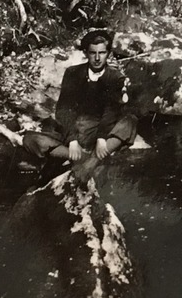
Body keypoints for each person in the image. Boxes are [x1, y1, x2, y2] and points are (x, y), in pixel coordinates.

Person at [23, 30, 138, 184]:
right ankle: (82, 158)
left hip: (101, 127)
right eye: (93, 53)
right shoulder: (72, 73)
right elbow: (63, 109)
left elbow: (110, 112)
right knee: (30, 140)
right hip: (76, 128)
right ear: (86, 53)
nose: (97, 58)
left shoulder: (115, 77)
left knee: (130, 121)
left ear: (108, 53)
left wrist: (102, 138)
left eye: (102, 53)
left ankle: (91, 163)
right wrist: (72, 140)